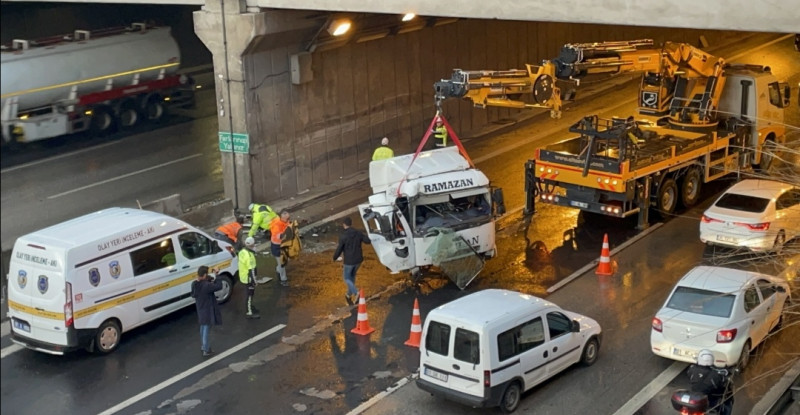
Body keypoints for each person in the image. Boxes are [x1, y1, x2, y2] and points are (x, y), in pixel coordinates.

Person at [333, 217, 372, 304]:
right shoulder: (358, 233)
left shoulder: (343, 236)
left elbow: (339, 249)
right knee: (352, 276)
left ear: (344, 225)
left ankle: (356, 292)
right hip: (358, 260)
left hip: (349, 261)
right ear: (351, 223)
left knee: (346, 278)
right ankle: (348, 294)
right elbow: (368, 241)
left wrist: (335, 257)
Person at [687, 349, 733, 415]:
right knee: (727, 405)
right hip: (709, 401)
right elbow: (722, 382)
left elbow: (689, 375)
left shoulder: (692, 369)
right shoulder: (715, 375)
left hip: (694, 399)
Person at [191, 265, 223, 356]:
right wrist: (217, 274)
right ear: (204, 275)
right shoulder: (206, 285)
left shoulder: (194, 284)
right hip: (207, 309)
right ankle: (206, 349)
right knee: (206, 328)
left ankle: (203, 346)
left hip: (200, 309)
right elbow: (218, 286)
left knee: (202, 327)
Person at [238, 237, 260, 319]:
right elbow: (252, 271)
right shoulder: (249, 256)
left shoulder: (242, 252)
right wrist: (255, 281)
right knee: (250, 295)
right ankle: (249, 312)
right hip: (248, 279)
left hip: (243, 276)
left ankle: (250, 307)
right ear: (252, 245)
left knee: (249, 294)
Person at [270, 210, 292, 286]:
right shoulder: (277, 225)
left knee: (283, 262)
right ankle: (283, 280)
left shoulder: (286, 222)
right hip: (277, 247)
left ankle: (278, 270)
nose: (288, 219)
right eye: (286, 217)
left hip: (283, 246)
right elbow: (277, 235)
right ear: (281, 217)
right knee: (282, 263)